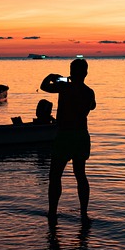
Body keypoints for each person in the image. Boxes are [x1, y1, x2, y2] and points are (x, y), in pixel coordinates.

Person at [40, 59, 96, 223]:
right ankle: (83, 214)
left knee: (55, 175)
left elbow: (44, 86)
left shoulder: (64, 86)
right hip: (80, 135)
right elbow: (92, 106)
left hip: (65, 135)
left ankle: (52, 213)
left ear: (71, 72)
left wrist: (52, 76)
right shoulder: (88, 91)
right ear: (85, 73)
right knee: (80, 175)